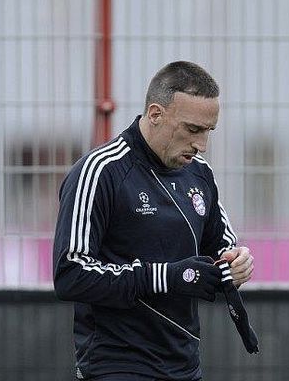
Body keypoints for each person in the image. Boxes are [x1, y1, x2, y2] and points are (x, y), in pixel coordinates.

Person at [53, 61, 254, 381]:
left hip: (184, 364)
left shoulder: (199, 173)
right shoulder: (100, 171)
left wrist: (235, 263)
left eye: (208, 131)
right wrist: (164, 277)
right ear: (156, 114)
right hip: (116, 364)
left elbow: (222, 244)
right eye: (192, 129)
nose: (201, 145)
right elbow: (70, 274)